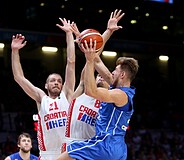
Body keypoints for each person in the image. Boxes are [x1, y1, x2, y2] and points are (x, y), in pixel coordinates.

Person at [57, 35, 139, 159]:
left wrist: (89, 61)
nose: (112, 73)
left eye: (115, 71)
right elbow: (97, 61)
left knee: (65, 156)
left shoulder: (120, 95)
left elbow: (91, 91)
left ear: (122, 75)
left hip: (105, 143)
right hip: (118, 149)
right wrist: (83, 39)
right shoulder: (118, 87)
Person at [61, 9, 125, 152]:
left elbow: (97, 60)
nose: (100, 76)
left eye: (104, 76)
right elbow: (93, 56)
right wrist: (108, 32)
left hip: (92, 149)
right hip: (70, 146)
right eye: (97, 75)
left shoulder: (108, 102)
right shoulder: (83, 90)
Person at [11, 17, 76, 160]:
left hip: (67, 152)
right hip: (47, 155)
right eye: (52, 81)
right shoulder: (42, 98)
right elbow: (19, 78)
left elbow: (71, 63)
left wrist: (69, 34)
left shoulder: (67, 94)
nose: (57, 83)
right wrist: (15, 51)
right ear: (46, 85)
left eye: (59, 81)